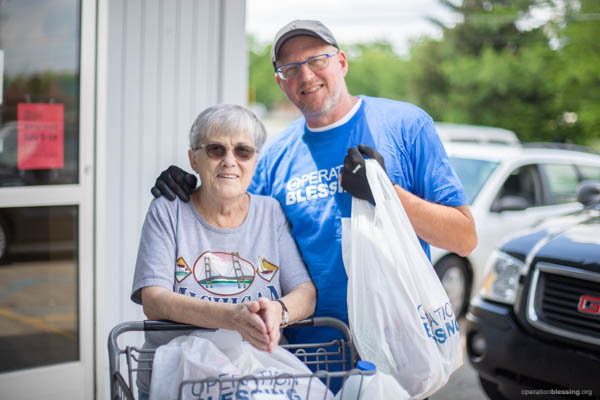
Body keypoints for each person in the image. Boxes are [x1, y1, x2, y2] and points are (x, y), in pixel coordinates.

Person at [151, 19, 476, 354]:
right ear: (280, 82)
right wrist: (195, 190)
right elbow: (237, 228)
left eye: (317, 60)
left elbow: (463, 238)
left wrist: (388, 195)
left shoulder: (406, 126)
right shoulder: (274, 156)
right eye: (291, 69)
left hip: (399, 351)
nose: (306, 76)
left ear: (342, 62)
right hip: (308, 356)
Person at [132, 104, 316, 399]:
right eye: (216, 150)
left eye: (243, 151)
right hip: (180, 379)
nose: (230, 161)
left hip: (257, 373)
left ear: (256, 161)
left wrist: (277, 312)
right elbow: (154, 300)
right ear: (194, 159)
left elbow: (305, 293)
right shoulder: (169, 211)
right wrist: (232, 318)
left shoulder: (270, 212)